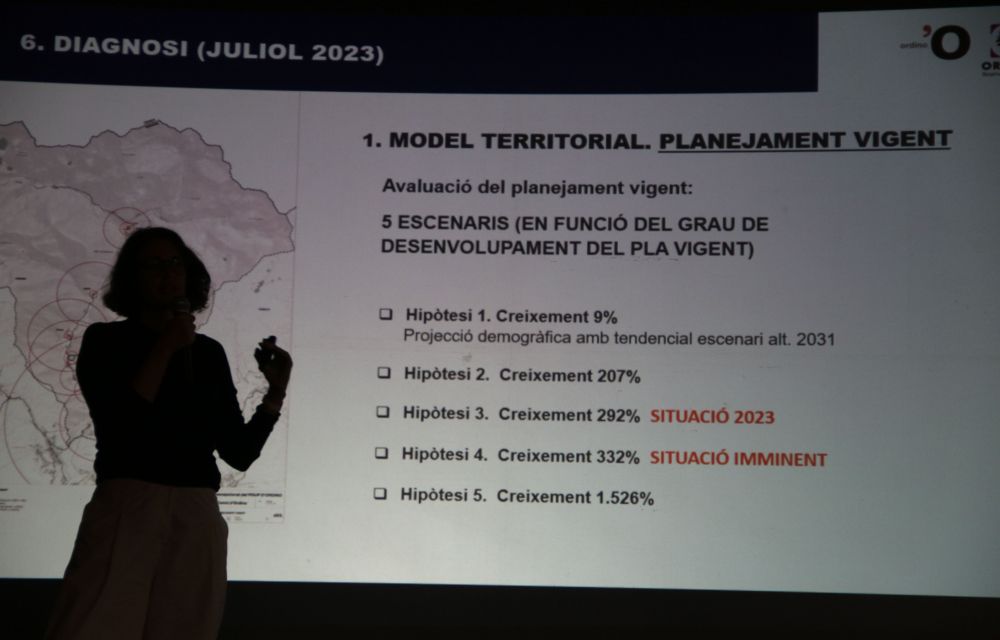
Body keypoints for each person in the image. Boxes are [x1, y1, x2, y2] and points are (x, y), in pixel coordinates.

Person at [45, 227, 292, 640]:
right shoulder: (106, 340)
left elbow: (238, 452)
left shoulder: (208, 352)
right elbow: (122, 423)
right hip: (128, 503)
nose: (168, 273)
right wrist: (166, 346)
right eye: (154, 265)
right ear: (132, 278)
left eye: (175, 263)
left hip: (196, 511)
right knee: (93, 625)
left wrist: (275, 393)